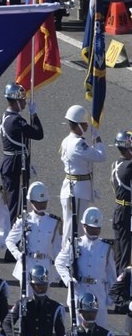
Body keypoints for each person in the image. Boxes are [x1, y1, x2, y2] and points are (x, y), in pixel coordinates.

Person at [55, 207, 116, 328]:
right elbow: (59, 262)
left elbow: (111, 275)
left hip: (98, 292)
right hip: (79, 290)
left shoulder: (106, 247)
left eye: (97, 228)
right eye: (91, 227)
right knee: (78, 330)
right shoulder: (75, 243)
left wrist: (110, 297)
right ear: (84, 226)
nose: (95, 231)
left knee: (100, 329)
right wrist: (68, 279)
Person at [59, 104, 105, 247]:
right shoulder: (78, 144)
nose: (86, 126)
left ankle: (68, 252)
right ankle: (69, 255)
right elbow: (101, 156)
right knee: (75, 229)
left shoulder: (67, 140)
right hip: (77, 191)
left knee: (71, 227)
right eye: (85, 124)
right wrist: (97, 138)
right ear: (78, 124)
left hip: (74, 187)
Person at [0, 82, 44, 224]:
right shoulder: (16, 120)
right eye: (22, 100)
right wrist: (34, 114)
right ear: (16, 100)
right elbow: (38, 134)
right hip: (16, 165)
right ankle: (14, 233)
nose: (25, 102)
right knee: (16, 205)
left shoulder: (5, 116)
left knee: (13, 202)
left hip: (11, 162)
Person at [5, 181, 62, 290]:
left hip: (45, 265)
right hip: (28, 264)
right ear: (31, 202)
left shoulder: (54, 222)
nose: (42, 204)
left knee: (43, 298)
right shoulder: (24, 220)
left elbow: (57, 248)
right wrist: (18, 255)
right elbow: (10, 240)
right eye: (38, 202)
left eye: (44, 201)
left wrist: (59, 269)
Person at [111, 130, 132, 273]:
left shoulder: (117, 163)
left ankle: (117, 280)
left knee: (120, 253)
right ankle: (123, 283)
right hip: (127, 212)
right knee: (125, 253)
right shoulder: (128, 166)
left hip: (119, 209)